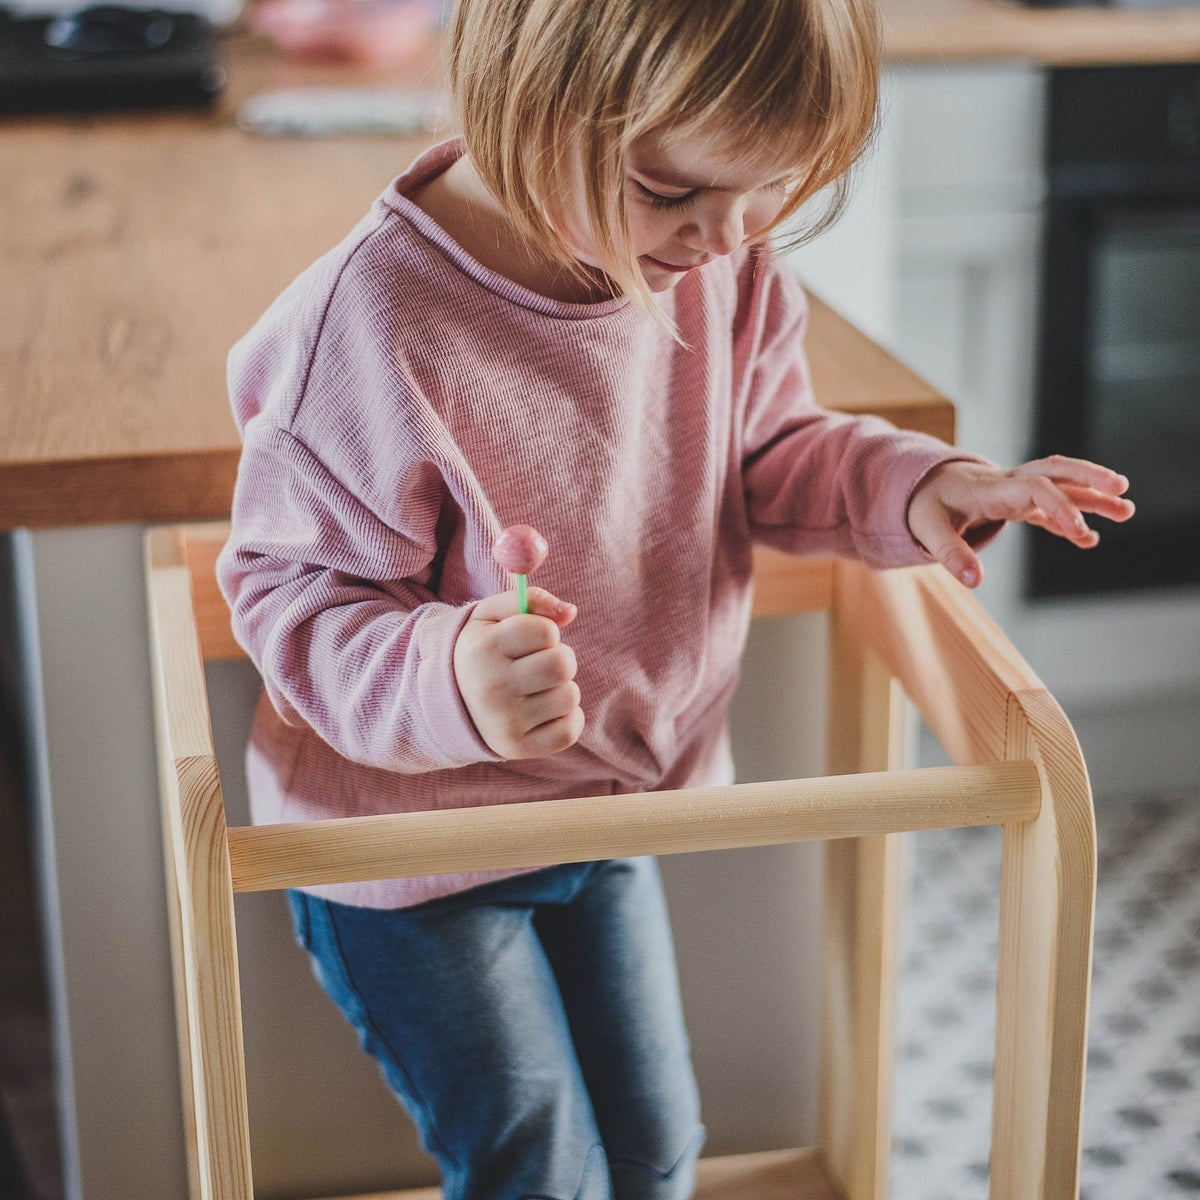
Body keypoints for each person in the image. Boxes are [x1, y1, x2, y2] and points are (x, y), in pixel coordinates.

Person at [215, 0, 1136, 1197]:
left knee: (656, 1150)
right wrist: (449, 675)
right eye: (672, 192)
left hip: (604, 816)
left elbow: (767, 454)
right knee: (538, 1167)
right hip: (411, 858)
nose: (725, 238)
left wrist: (919, 485)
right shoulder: (372, 320)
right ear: (531, 109)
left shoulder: (725, 268)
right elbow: (289, 593)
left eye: (767, 195)